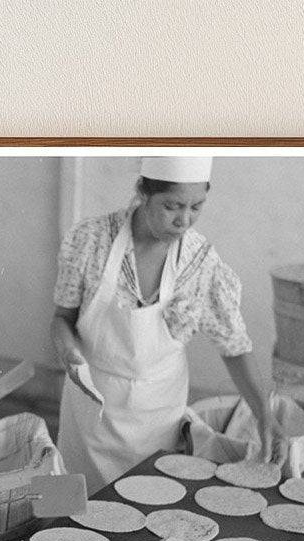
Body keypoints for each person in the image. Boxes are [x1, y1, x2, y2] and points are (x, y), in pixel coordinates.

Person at [52, 154, 279, 494]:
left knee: (147, 510)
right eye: (172, 206)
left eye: (196, 207)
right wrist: (68, 351)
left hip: (158, 415)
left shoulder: (200, 262)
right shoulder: (90, 240)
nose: (184, 220)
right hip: (89, 411)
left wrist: (264, 414)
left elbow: (234, 345)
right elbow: (60, 320)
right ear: (143, 192)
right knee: (64, 511)